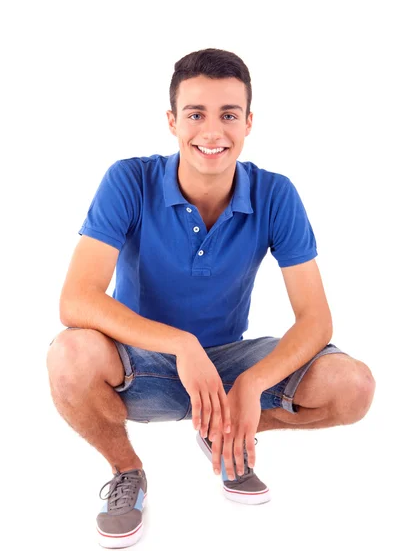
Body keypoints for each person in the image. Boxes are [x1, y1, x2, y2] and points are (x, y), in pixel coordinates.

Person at [46, 48, 376, 548]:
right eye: (196, 114)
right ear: (172, 122)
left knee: (353, 386)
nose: (212, 131)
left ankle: (223, 432)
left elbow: (315, 320)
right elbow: (76, 299)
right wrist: (181, 345)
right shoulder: (129, 180)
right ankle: (126, 471)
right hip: (139, 365)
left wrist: (251, 382)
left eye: (228, 115)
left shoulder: (276, 194)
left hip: (227, 366)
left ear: (248, 123)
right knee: (68, 356)